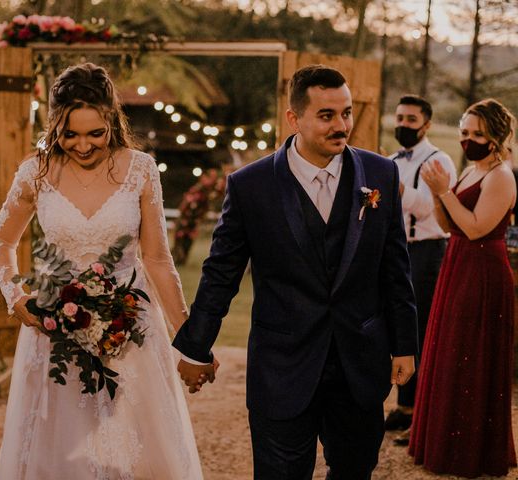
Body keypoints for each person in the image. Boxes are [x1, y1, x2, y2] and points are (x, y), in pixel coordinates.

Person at [173, 64, 418, 479]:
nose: (341, 125)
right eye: (326, 115)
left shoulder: (381, 174)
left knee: (355, 470)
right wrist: (196, 348)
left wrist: (404, 343)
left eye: (346, 113)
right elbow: (220, 274)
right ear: (294, 118)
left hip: (359, 364)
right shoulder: (250, 186)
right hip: (281, 366)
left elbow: (395, 268)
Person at [0, 63, 203, 479]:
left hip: (132, 327)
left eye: (95, 133)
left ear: (112, 120)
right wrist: (15, 295)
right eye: (70, 134)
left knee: (135, 442)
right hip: (56, 327)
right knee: (63, 444)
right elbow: (1, 241)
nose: (82, 146)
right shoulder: (35, 172)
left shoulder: (141, 169)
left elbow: (157, 259)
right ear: (54, 125)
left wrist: (189, 340)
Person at [409, 98, 517, 477]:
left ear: (496, 136)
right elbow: (447, 223)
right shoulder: (469, 171)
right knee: (449, 348)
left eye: (478, 134)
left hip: (484, 270)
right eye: (464, 133)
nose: (468, 140)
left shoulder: (501, 176)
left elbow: (474, 227)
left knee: (471, 352)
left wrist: (445, 191)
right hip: (457, 263)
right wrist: (438, 191)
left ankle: (471, 451)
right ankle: (443, 441)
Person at [385, 95, 457, 436]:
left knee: (420, 328)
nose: (403, 125)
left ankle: (419, 411)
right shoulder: (389, 160)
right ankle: (402, 404)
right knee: (395, 327)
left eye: (411, 120)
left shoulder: (438, 161)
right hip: (394, 251)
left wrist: (396, 189)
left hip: (427, 252)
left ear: (426, 125)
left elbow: (431, 209)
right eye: (399, 118)